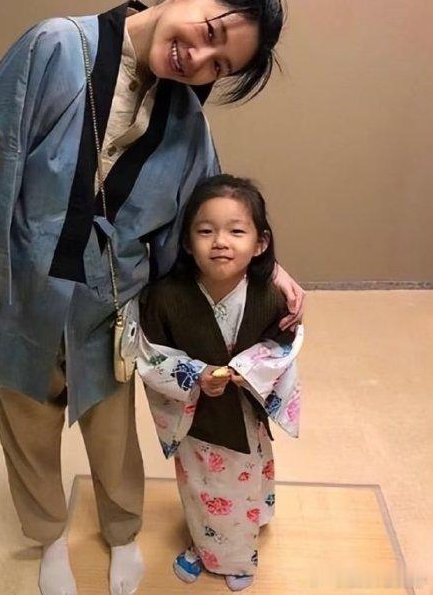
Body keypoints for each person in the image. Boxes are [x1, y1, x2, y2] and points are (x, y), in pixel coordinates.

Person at [0, 0, 305, 595]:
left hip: (111, 304)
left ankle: (122, 532)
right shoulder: (56, 46)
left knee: (113, 432)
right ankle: (49, 536)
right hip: (22, 290)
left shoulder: (186, 121)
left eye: (219, 65)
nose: (200, 59)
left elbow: (209, 211)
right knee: (26, 421)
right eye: (211, 32)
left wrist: (270, 269)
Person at [131, 174, 303, 591]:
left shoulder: (270, 295)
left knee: (244, 478)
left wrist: (248, 369)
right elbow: (149, 352)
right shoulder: (165, 297)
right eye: (206, 231)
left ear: (260, 243)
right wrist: (194, 374)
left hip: (244, 410)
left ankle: (238, 555)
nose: (220, 242)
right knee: (201, 484)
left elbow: (283, 346)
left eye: (236, 231)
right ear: (187, 242)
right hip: (198, 414)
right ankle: (204, 543)